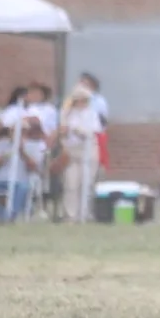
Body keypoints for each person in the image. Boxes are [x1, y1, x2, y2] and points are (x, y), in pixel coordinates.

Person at [58, 84, 103, 222]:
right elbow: (63, 131)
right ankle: (71, 215)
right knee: (71, 183)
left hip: (89, 150)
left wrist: (78, 130)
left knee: (86, 183)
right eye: (79, 99)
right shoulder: (67, 113)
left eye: (84, 99)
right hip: (72, 150)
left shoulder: (92, 113)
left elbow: (94, 132)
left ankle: (84, 214)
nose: (81, 102)